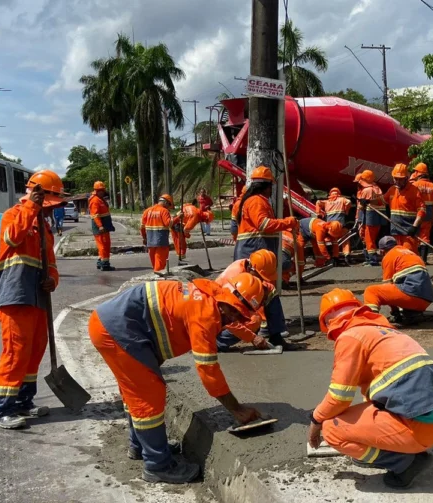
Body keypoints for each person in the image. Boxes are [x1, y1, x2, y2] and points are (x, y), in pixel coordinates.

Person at [89, 273, 267, 484]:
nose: (235, 318)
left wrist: (252, 337)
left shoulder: (212, 296)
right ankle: (157, 465)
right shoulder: (205, 314)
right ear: (226, 300)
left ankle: (143, 446)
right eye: (235, 311)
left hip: (116, 325)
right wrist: (236, 408)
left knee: (135, 391)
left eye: (241, 315)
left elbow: (228, 323)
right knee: (148, 395)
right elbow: (208, 369)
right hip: (118, 330)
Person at [308, 289, 433, 489]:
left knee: (332, 429)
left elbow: (339, 397)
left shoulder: (350, 336)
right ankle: (403, 449)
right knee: (368, 406)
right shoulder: (388, 333)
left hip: (417, 430)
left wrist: (316, 420)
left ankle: (404, 463)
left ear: (330, 324)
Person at [0, 170, 66, 429]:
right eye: (47, 203)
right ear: (35, 195)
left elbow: (52, 264)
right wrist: (32, 206)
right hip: (16, 295)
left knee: (35, 350)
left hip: (38, 297)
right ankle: (1, 410)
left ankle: (24, 401)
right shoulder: (14, 215)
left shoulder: (45, 227)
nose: (50, 209)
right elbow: (12, 237)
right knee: (16, 351)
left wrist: (52, 280)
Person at [233, 166, 300, 349]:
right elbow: (263, 225)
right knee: (256, 295)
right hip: (253, 253)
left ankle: (275, 335)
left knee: (268, 293)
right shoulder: (256, 201)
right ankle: (262, 332)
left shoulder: (257, 200)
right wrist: (288, 222)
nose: (272, 190)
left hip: (256, 252)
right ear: (266, 185)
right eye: (271, 186)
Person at [214, 250, 279, 352]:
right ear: (251, 268)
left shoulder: (247, 268)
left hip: (230, 310)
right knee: (253, 321)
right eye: (260, 277)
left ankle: (276, 336)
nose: (262, 281)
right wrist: (252, 337)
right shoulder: (234, 276)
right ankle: (218, 343)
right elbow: (229, 313)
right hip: (218, 318)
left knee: (270, 291)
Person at [363, 236, 433, 326]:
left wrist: (395, 312)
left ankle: (372, 322)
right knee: (401, 286)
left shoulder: (389, 256)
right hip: (426, 300)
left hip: (411, 296)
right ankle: (412, 314)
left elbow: (387, 285)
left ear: (381, 251)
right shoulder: (410, 253)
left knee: (371, 291)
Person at [377, 163, 425, 253]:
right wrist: (367, 201)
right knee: (398, 256)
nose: (397, 182)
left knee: (409, 254)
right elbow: (380, 200)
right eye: (396, 179)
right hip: (395, 231)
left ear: (406, 178)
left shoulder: (414, 191)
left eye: (400, 179)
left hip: (408, 232)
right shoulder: (392, 190)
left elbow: (421, 211)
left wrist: (414, 227)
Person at [354, 170, 384, 266]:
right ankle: (369, 259)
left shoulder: (367, 190)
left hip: (370, 217)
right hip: (376, 218)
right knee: (369, 239)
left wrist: (359, 218)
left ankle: (373, 260)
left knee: (369, 239)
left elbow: (362, 207)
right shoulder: (376, 188)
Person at [411, 163, 433, 263]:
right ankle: (424, 259)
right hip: (429, 213)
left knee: (415, 236)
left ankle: (417, 259)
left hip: (417, 214)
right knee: (425, 237)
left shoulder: (414, 185)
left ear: (418, 173)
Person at [141, 194, 174, 272]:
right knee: (159, 268)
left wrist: (144, 238)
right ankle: (158, 282)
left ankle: (155, 281)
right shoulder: (164, 211)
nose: (169, 208)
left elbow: (142, 227)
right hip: (161, 242)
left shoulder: (147, 211)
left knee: (155, 265)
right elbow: (168, 223)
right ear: (166, 202)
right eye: (169, 205)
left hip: (150, 242)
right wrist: (178, 217)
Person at [89, 181, 116, 271]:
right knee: (103, 245)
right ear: (96, 190)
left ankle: (100, 262)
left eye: (102, 190)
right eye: (100, 190)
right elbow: (95, 215)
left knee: (104, 245)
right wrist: (100, 226)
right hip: (100, 227)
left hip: (104, 226)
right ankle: (105, 265)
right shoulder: (95, 200)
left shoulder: (100, 199)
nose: (102, 192)